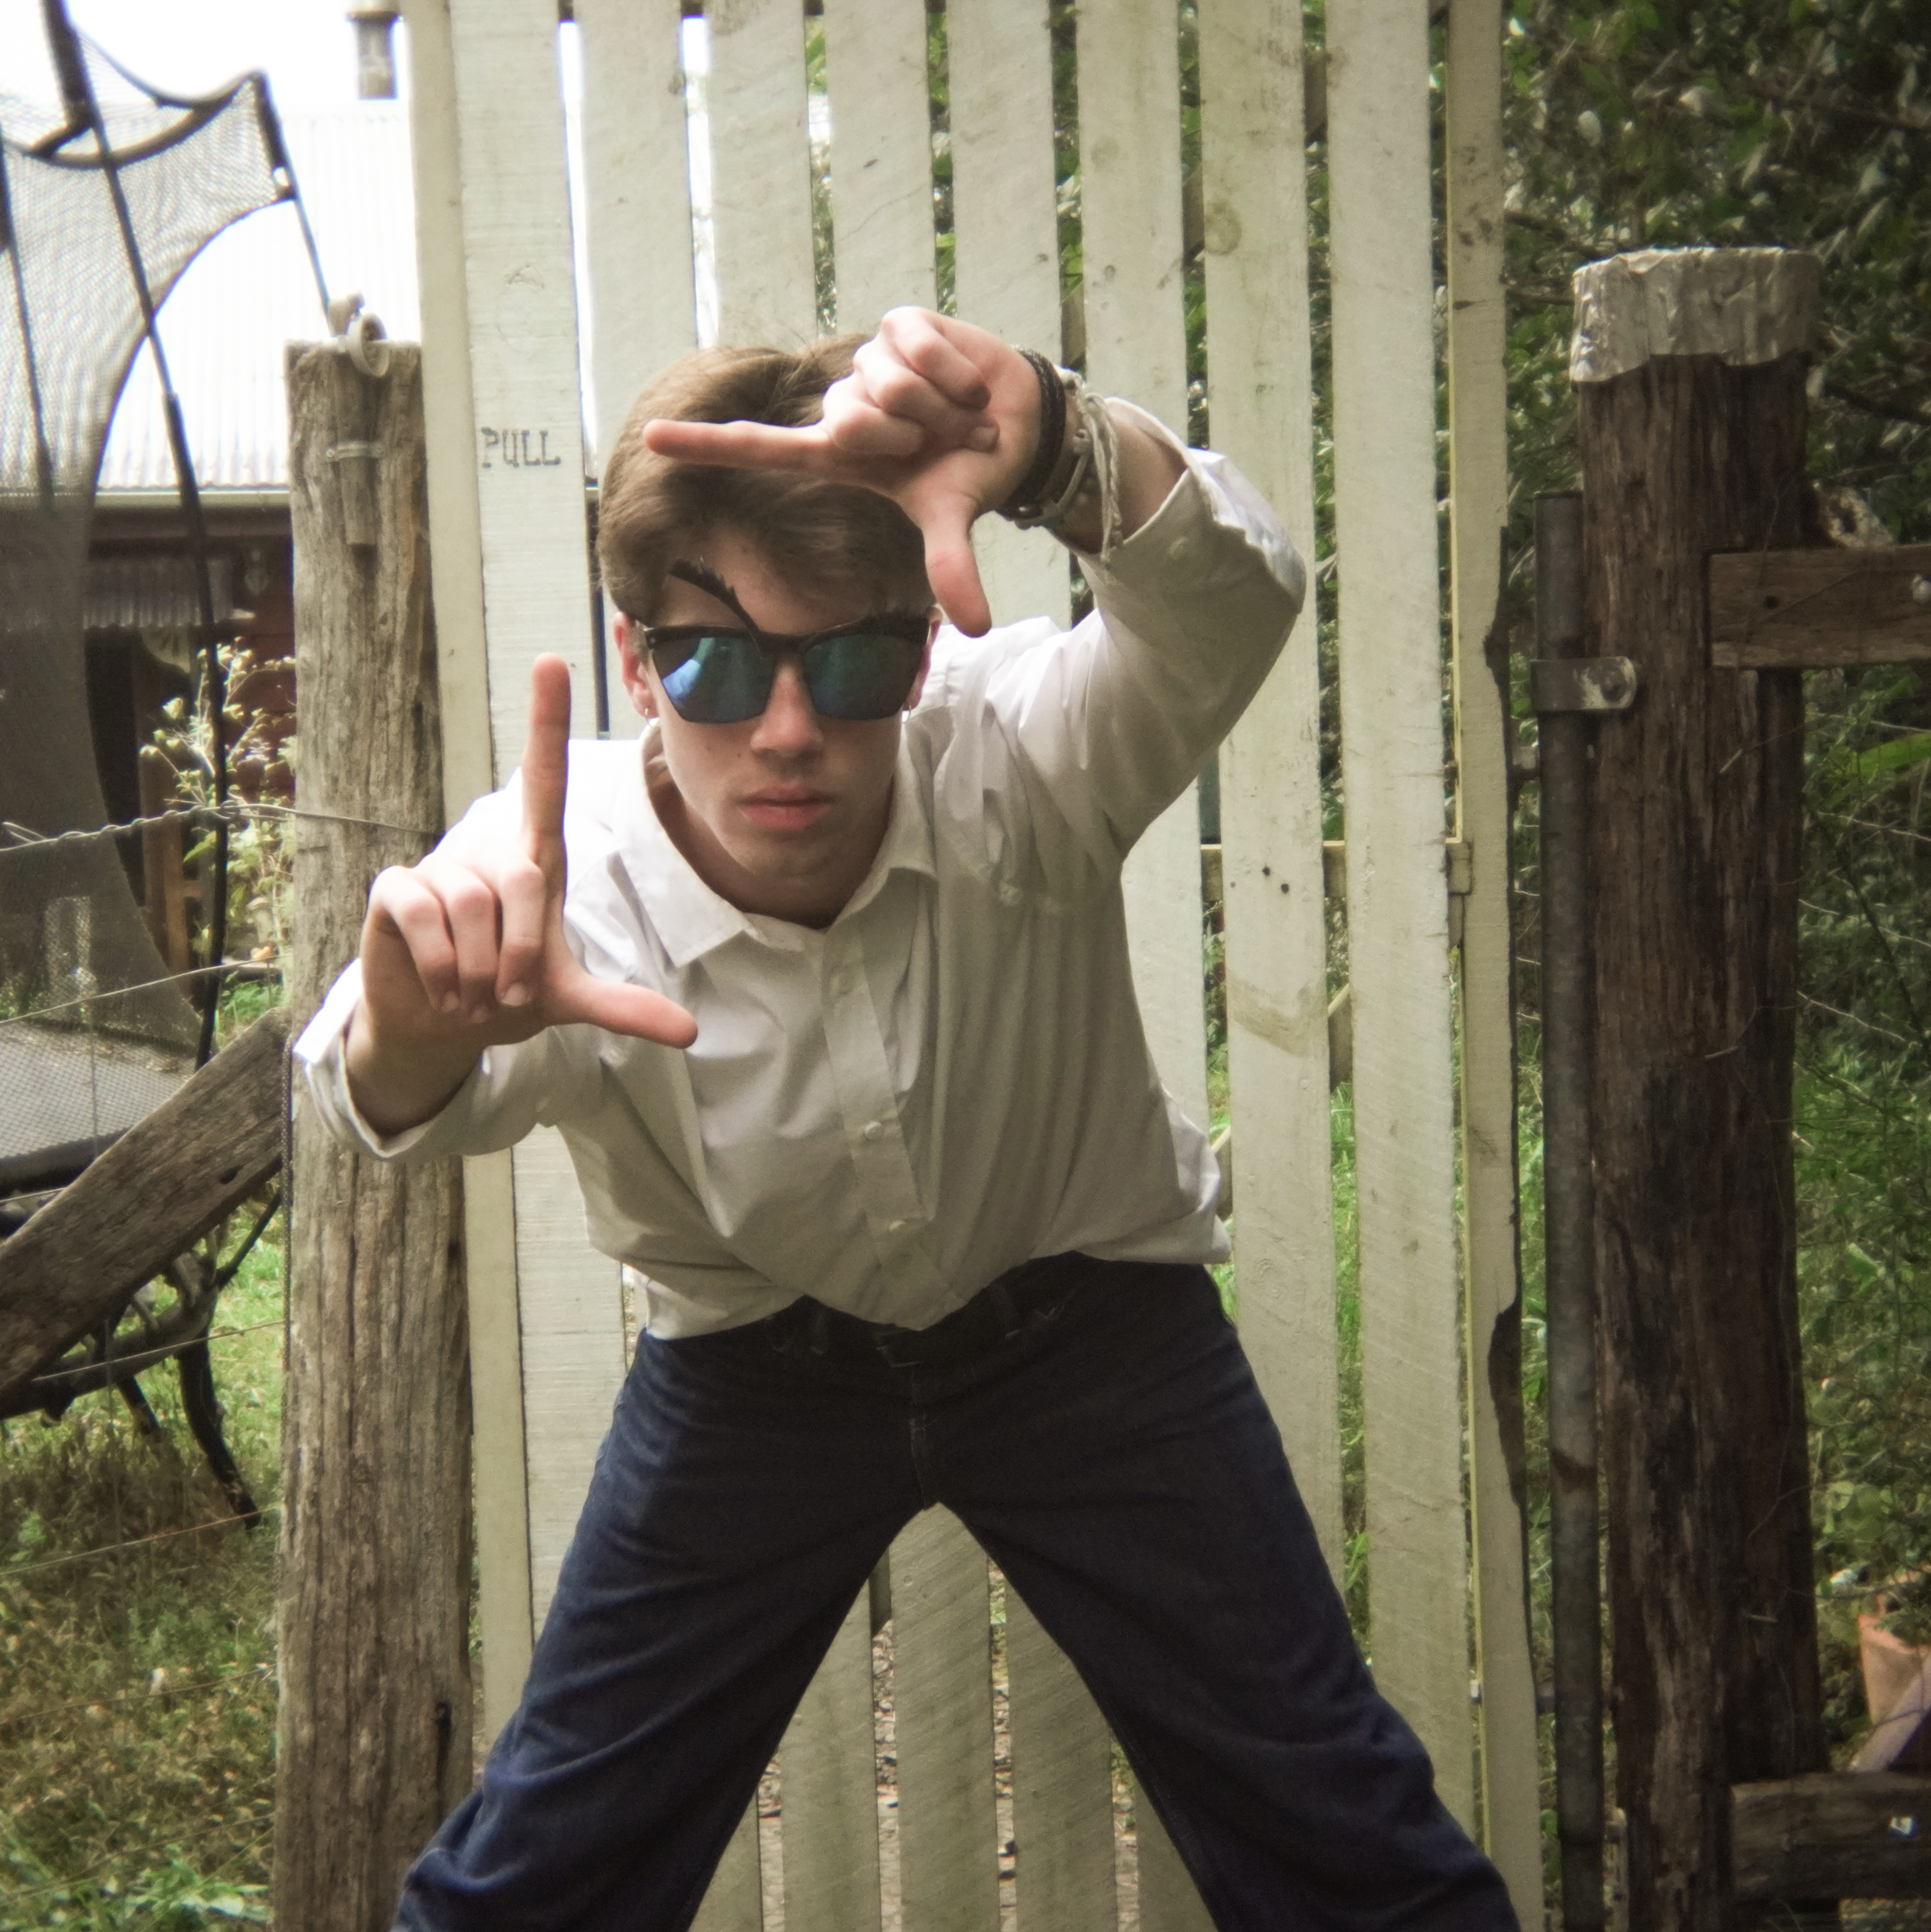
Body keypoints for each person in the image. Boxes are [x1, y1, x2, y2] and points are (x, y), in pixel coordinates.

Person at [296, 308, 1517, 1932]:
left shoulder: (1018, 750)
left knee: (1344, 1835)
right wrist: (418, 1025)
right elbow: (375, 1085)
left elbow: (1234, 600)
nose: (787, 731)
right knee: (534, 1881)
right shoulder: (551, 867)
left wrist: (1071, 446)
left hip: (1095, 1341)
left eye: (854, 659)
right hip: (751, 1375)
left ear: (922, 652)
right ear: (637, 656)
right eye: (720, 662)